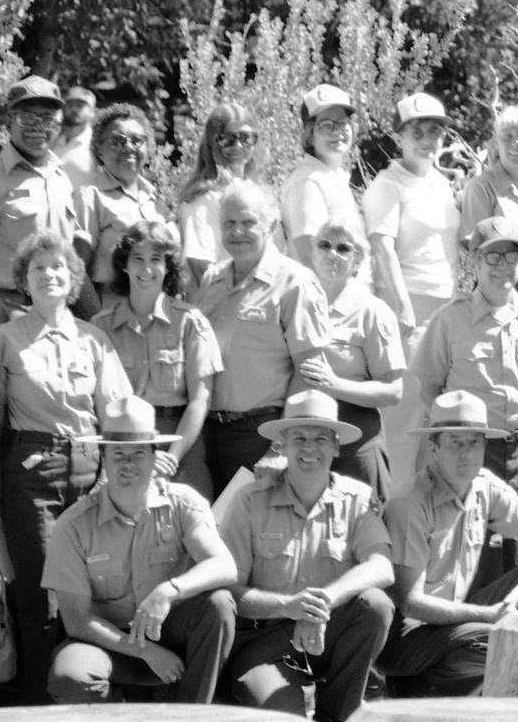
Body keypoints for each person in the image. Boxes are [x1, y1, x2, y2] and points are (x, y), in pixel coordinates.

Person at [0, 230, 133, 700]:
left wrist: (113, 476)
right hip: (34, 470)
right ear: (24, 281)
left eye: (59, 268)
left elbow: (116, 412)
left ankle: (83, 690)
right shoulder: (6, 339)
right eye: (38, 268)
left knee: (92, 584)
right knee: (41, 591)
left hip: (92, 468)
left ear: (73, 280)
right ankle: (39, 702)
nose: (49, 275)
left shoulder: (94, 340)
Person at [222, 390, 404, 722]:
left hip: (328, 633)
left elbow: (382, 566)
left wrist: (321, 604)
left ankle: (337, 717)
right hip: (265, 642)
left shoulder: (357, 498)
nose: (310, 448)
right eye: (299, 438)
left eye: (321, 438)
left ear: (337, 447)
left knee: (376, 605)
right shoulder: (248, 500)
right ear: (282, 446)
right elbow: (232, 592)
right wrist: (289, 607)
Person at [43, 398, 240, 706]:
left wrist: (169, 590)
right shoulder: (73, 524)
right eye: (118, 454)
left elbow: (225, 566)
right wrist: (145, 651)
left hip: (172, 636)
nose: (128, 464)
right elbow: (77, 620)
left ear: (154, 457)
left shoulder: (182, 503)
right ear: (104, 459)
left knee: (219, 605)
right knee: (71, 676)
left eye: (138, 453)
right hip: (108, 644)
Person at [383, 391, 518, 698]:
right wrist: (489, 616)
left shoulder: (484, 486)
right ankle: (424, 692)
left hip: (455, 619)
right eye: (455, 443)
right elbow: (411, 603)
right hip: (410, 637)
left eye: (474, 441)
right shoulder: (410, 503)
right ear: (434, 448)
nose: (466, 453)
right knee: (492, 637)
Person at [197, 181, 323, 495]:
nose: (237, 232)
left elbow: (310, 372)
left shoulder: (295, 282)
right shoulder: (213, 279)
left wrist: (279, 448)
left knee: (257, 537)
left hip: (261, 434)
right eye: (229, 223)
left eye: (248, 222)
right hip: (209, 432)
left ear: (272, 225)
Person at [406, 214, 518, 486]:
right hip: (470, 451)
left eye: (511, 256)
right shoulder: (448, 320)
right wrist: (457, 437)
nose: (503, 266)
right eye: (493, 256)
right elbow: (428, 388)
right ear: (474, 261)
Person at [92, 218, 218, 484]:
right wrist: (134, 448)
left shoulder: (190, 321)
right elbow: (98, 402)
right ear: (124, 265)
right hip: (123, 442)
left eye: (156, 259)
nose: (146, 268)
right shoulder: (101, 326)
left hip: (179, 441)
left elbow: (200, 400)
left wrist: (172, 456)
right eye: (137, 258)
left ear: (167, 267)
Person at [298, 213, 406, 492]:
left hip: (355, 441)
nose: (333, 253)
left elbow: (393, 391)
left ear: (358, 261)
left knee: (364, 530)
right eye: (324, 245)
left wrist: (335, 385)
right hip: (303, 439)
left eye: (344, 248)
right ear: (311, 254)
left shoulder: (373, 312)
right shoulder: (294, 304)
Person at [0, 74, 80, 304]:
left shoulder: (61, 178)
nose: (37, 127)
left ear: (58, 125)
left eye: (47, 118)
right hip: (7, 306)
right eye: (26, 118)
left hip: (56, 306)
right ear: (9, 121)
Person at [363, 93, 462, 333]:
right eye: (416, 133)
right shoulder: (387, 184)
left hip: (446, 302)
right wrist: (402, 307)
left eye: (434, 131)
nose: (426, 140)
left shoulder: (441, 184)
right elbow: (382, 249)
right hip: (407, 305)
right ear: (398, 139)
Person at [75, 103, 167, 299]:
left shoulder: (154, 197)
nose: (128, 148)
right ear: (99, 150)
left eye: (137, 140)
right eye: (117, 141)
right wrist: (98, 320)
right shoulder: (90, 196)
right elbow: (76, 270)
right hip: (110, 308)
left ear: (148, 147)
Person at [457, 105, 518, 287]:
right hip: (500, 288)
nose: (515, 143)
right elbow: (474, 252)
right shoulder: (481, 188)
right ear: (496, 143)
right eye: (507, 136)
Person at [279, 85, 365, 276]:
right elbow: (310, 257)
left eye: (342, 123)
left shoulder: (332, 178)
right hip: (330, 298)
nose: (337, 132)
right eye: (326, 125)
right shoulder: (308, 183)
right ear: (310, 135)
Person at [175, 104, 261, 285]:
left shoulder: (255, 191)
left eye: (247, 138)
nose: (238, 145)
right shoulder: (203, 198)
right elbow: (201, 267)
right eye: (227, 139)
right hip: (221, 305)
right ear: (211, 143)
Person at [55, 85, 100, 186]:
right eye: (69, 104)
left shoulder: (98, 145)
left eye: (80, 105)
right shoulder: (51, 141)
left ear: (92, 112)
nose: (74, 109)